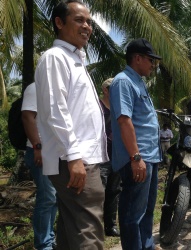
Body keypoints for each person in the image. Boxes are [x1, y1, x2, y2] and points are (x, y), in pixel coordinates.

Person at [34, 1, 108, 249]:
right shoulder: (56, 57)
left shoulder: (74, 58)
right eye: (79, 20)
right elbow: (56, 111)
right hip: (76, 160)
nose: (87, 26)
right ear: (59, 23)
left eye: (89, 21)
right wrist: (75, 157)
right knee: (89, 232)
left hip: (79, 158)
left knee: (70, 230)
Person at [109, 38, 162, 250]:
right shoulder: (123, 81)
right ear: (137, 58)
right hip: (139, 158)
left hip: (150, 156)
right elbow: (124, 120)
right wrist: (136, 157)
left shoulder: (138, 81)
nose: (153, 65)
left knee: (147, 210)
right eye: (150, 60)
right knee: (133, 214)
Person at [21, 83, 57, 250]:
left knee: (54, 197)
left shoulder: (55, 88)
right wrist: (37, 147)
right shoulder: (35, 87)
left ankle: (49, 237)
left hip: (54, 152)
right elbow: (28, 117)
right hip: (39, 151)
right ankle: (43, 244)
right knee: (47, 196)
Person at [99, 78, 121, 237]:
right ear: (106, 90)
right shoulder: (97, 106)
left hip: (116, 154)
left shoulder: (119, 107)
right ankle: (94, 226)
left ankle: (110, 225)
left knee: (114, 190)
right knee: (99, 191)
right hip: (100, 155)